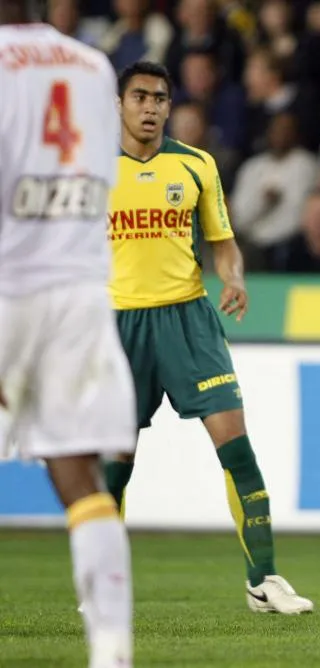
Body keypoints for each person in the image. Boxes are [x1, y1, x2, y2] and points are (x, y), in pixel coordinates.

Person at [105, 61, 312, 615]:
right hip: (121, 324)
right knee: (116, 460)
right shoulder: (91, 171)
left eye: (160, 98)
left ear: (170, 107)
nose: (150, 107)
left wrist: (236, 277)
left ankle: (263, 578)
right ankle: (102, 583)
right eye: (140, 97)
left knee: (237, 447)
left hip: (190, 322)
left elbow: (222, 241)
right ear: (119, 104)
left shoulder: (196, 166)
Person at [0, 7, 135, 667]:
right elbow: (103, 178)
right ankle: (111, 652)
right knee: (81, 478)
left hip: (8, 280)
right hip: (79, 288)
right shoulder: (92, 65)